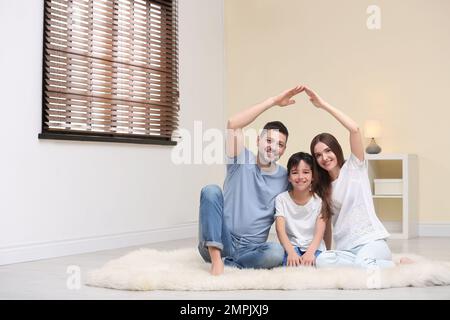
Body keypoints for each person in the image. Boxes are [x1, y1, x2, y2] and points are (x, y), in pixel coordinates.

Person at [198, 85, 305, 275]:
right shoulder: (239, 158)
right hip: (220, 240)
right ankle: (217, 260)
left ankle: (232, 263)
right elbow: (233, 123)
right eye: (269, 140)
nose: (273, 147)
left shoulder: (285, 177)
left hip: (252, 249)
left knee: (275, 252)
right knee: (211, 190)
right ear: (258, 141)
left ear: (284, 150)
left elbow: (306, 188)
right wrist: (273, 101)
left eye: (279, 144)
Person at [305, 86, 398, 269]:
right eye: (318, 155)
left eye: (328, 151)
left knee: (363, 264)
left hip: (371, 242)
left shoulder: (354, 168)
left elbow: (354, 129)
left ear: (336, 150)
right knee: (323, 260)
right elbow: (327, 222)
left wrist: (322, 105)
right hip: (347, 249)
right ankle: (372, 265)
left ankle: (396, 266)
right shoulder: (323, 187)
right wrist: (328, 250)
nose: (324, 157)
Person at [275, 152, 329, 267]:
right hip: (292, 248)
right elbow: (280, 230)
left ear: (312, 176)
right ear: (289, 177)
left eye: (305, 172)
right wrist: (291, 253)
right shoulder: (281, 199)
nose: (300, 177)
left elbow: (320, 233)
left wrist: (310, 253)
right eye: (295, 173)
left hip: (315, 248)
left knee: (323, 265)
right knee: (290, 270)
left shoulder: (319, 200)